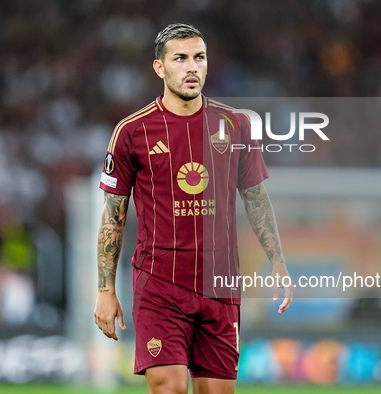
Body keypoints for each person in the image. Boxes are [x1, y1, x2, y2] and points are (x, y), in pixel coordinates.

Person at [94, 23, 292, 394]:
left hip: (220, 286)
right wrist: (105, 289)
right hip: (160, 285)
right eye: (180, 58)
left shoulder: (235, 125)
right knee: (169, 388)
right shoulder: (132, 131)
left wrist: (278, 261)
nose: (191, 67)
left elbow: (255, 198)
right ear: (160, 68)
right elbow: (113, 216)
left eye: (199, 58)